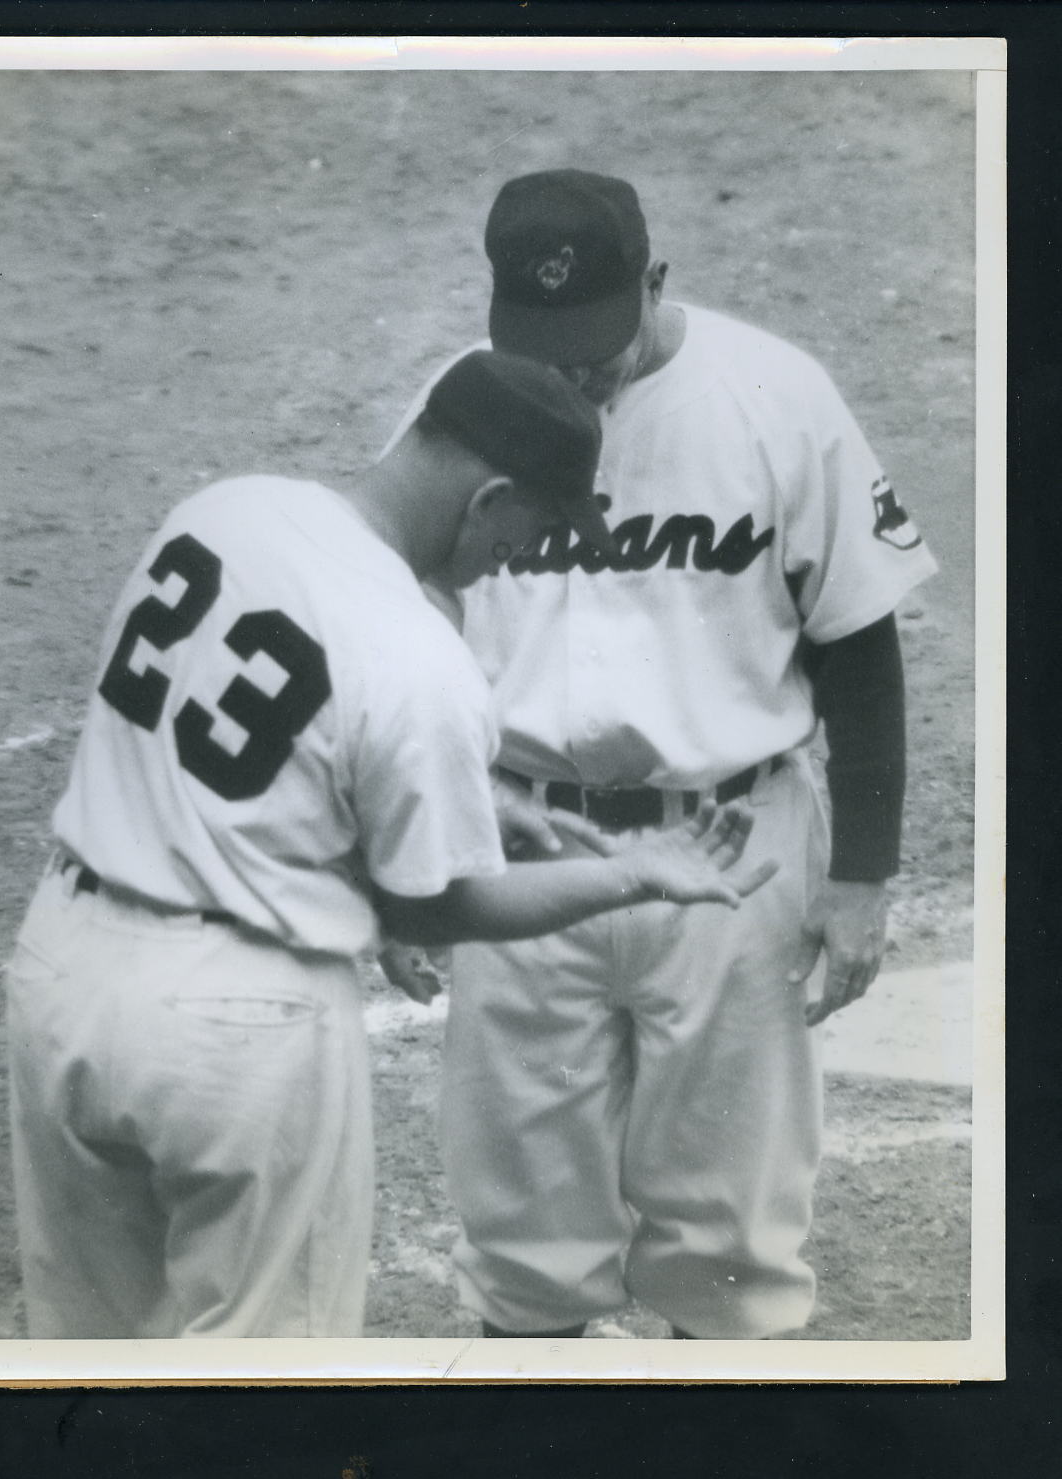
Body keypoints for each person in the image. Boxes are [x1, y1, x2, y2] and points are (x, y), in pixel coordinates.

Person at [4, 348, 777, 1339]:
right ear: (487, 497)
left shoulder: (227, 511)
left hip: (61, 973)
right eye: (535, 529)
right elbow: (429, 908)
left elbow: (260, 739)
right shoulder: (421, 659)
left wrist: (471, 797)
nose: (526, 557)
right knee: (263, 1391)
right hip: (232, 1038)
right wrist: (625, 873)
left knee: (80, 1375)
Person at [385, 170, 939, 1339]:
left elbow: (858, 641)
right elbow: (398, 631)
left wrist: (861, 879)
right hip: (522, 849)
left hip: (729, 852)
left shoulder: (776, 399)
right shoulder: (466, 406)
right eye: (546, 345)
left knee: (728, 1255)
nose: (577, 373)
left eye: (597, 340)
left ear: (656, 282)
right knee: (525, 1244)